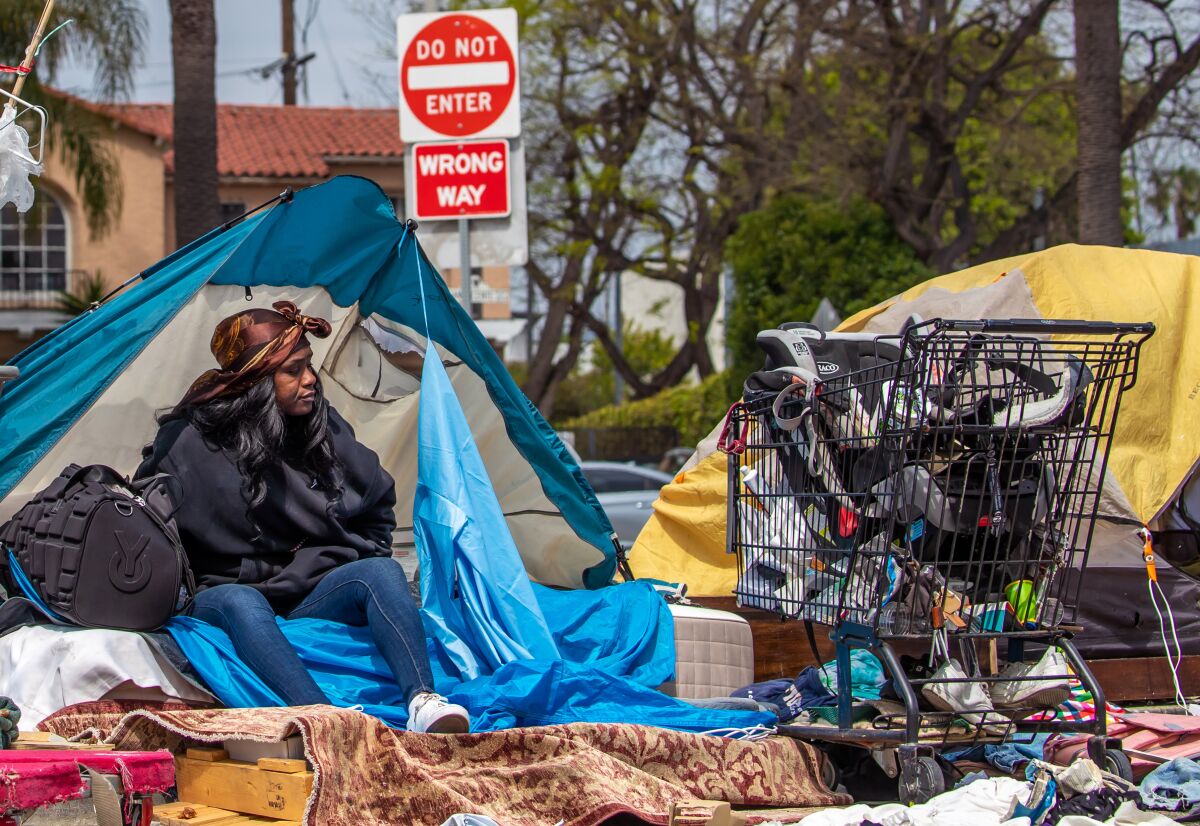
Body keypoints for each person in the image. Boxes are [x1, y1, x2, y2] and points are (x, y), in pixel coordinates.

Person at [137, 301, 469, 734]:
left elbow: (376, 504)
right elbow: (154, 531)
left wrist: (348, 556)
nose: (310, 380)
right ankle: (327, 721)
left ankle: (424, 702)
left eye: (308, 365)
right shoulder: (186, 443)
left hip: (309, 591)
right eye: (293, 371)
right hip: (224, 594)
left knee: (381, 572)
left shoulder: (321, 428)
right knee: (243, 601)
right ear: (254, 382)